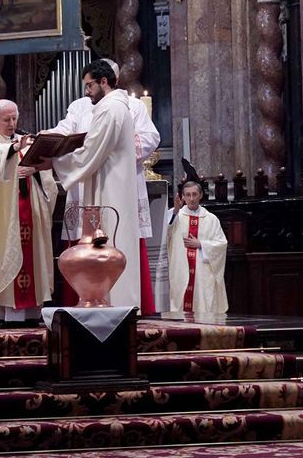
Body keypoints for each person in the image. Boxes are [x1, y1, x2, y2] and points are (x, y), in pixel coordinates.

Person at [46, 59, 161, 312]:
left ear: (103, 82)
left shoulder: (112, 110)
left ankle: (115, 306)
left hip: (112, 188)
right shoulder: (111, 106)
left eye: (89, 86)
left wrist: (53, 161)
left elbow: (91, 151)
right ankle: (110, 303)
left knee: (111, 242)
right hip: (109, 183)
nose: (86, 92)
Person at [0, 99, 57, 324]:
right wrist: (14, 149)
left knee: (31, 257)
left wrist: (34, 168)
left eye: (15, 118)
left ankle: (30, 313)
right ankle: (1, 312)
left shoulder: (24, 140)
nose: (12, 123)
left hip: (30, 212)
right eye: (6, 119)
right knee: (2, 258)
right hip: (3, 216)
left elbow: (43, 174)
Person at [162, 180, 228, 320]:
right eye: (187, 195)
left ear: (201, 195)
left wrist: (201, 244)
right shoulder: (175, 215)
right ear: (182, 197)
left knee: (203, 304)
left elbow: (221, 244)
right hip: (180, 269)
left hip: (203, 273)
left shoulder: (211, 219)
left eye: (194, 194)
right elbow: (164, 235)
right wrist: (175, 211)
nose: (191, 199)